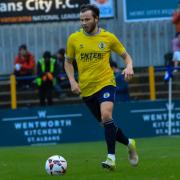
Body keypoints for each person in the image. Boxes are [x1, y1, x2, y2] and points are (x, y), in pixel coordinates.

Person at [64, 4, 138, 170]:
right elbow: (67, 62)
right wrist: (72, 81)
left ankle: (111, 158)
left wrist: (129, 66)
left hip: (106, 83)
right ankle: (129, 143)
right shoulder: (73, 39)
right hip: (86, 89)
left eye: (87, 19)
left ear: (96, 19)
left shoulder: (108, 37)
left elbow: (126, 57)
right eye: (81, 19)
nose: (83, 22)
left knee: (106, 116)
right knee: (107, 124)